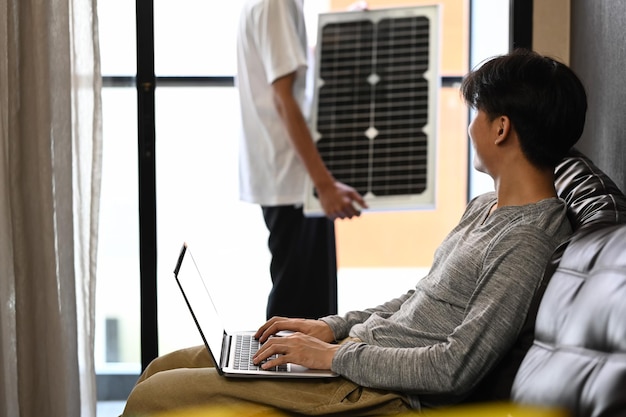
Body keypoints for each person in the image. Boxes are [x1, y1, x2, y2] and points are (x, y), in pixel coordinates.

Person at [121, 49, 588, 416]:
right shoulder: (487, 207)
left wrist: (330, 358)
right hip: (354, 359)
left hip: (378, 393)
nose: (470, 127)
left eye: (477, 114)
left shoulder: (526, 241)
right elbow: (418, 298)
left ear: (501, 128)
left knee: (156, 398)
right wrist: (330, 328)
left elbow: (454, 367)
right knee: (163, 367)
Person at [236, 0, 368, 320]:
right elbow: (284, 99)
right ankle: (281, 369)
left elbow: (288, 74)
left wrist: (341, 30)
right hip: (293, 179)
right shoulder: (278, 3)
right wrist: (324, 185)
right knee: (302, 309)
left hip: (287, 175)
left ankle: (283, 366)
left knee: (302, 299)